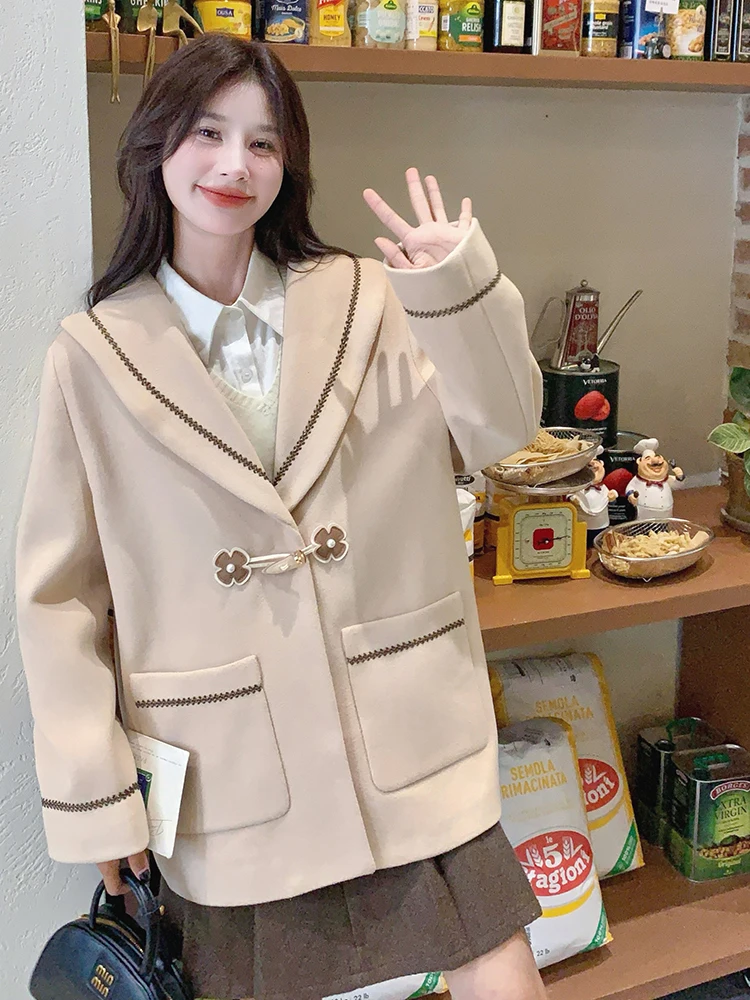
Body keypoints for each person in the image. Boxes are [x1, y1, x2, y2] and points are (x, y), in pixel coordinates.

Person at [16, 34, 546, 1000]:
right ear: (157, 146)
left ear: (289, 163)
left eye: (263, 142)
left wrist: (455, 289)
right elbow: (59, 598)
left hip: (401, 724)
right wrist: (98, 796)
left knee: (494, 955)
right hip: (229, 759)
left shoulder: (370, 300)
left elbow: (500, 430)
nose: (235, 164)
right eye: (208, 133)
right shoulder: (94, 355)